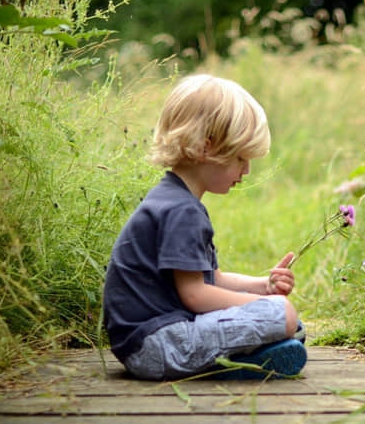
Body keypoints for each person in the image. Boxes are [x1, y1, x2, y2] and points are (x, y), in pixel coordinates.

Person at [102, 74, 307, 381]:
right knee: (283, 315)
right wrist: (269, 305)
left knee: (288, 320)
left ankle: (251, 357)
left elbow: (213, 279)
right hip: (157, 345)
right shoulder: (182, 210)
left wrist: (262, 287)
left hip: (148, 343)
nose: (247, 170)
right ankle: (239, 363)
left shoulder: (174, 200)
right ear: (205, 149)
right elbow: (195, 296)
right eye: (241, 158)